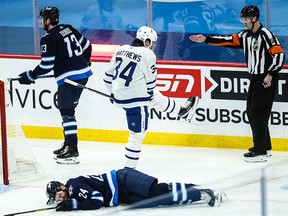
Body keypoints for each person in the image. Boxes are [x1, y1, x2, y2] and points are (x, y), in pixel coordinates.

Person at [189, 5, 285, 163]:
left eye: (246, 19)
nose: (244, 22)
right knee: (252, 112)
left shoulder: (266, 35)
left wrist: (270, 74)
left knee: (257, 113)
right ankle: (264, 146)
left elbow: (279, 55)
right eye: (243, 19)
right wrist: (206, 39)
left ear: (254, 18)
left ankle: (260, 151)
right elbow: (227, 40)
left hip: (266, 78)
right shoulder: (245, 35)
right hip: (255, 77)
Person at [103, 26, 197, 168]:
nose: (152, 46)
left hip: (120, 95)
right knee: (137, 135)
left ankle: (181, 111)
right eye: (152, 43)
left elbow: (106, 77)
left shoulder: (120, 49)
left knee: (154, 97)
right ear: (146, 41)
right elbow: (151, 84)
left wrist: (113, 93)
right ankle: (129, 171)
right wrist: (146, 95)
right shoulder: (148, 55)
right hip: (135, 100)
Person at [17, 6, 93, 164]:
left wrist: (30, 75)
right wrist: (85, 62)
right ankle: (68, 144)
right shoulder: (68, 28)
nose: (40, 21)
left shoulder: (48, 38)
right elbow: (87, 46)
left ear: (48, 20)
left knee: (67, 112)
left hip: (69, 78)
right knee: (67, 110)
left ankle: (72, 149)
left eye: (42, 18)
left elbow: (47, 64)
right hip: (83, 73)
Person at [46, 168, 226, 211]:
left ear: (62, 187)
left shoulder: (73, 186)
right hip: (122, 195)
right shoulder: (72, 190)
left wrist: (74, 205)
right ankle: (197, 190)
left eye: (58, 195)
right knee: (159, 199)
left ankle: (203, 193)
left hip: (123, 180)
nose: (60, 198)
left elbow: (97, 199)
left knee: (156, 191)